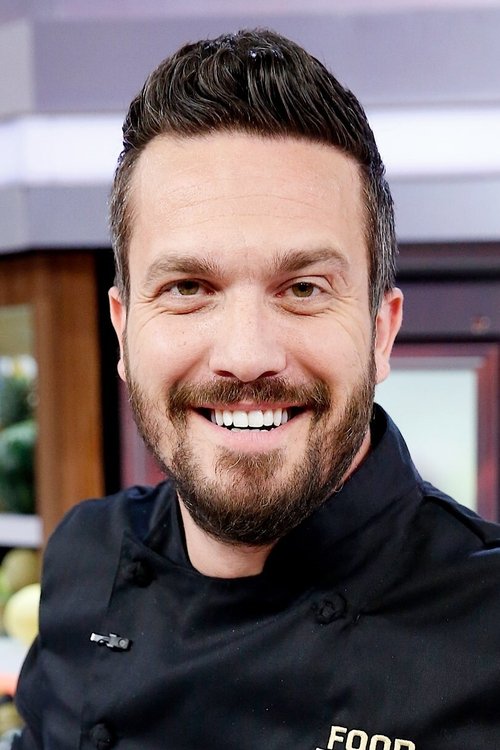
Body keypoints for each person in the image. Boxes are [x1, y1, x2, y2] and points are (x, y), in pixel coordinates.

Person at [13, 28, 500, 750]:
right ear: (123, 330)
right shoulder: (87, 552)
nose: (246, 357)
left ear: (380, 333)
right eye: (187, 287)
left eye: (304, 288)